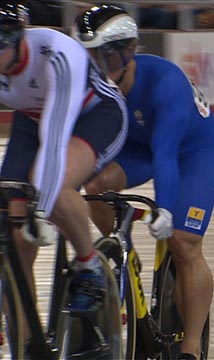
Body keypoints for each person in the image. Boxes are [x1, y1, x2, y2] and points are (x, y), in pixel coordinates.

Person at [71, 5, 214, 360]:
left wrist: (166, 211)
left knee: (183, 243)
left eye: (103, 56)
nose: (94, 66)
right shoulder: (87, 84)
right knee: (95, 186)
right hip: (135, 144)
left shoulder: (165, 83)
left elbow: (165, 156)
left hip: (189, 150)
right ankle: (122, 255)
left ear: (128, 52)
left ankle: (193, 347)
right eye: (88, 55)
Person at [0, 1, 128, 320]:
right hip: (31, 119)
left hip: (94, 115)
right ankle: (30, 346)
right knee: (14, 242)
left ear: (17, 41)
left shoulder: (57, 54)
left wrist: (41, 211)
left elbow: (55, 140)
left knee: (53, 189)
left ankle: (89, 266)